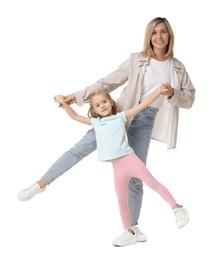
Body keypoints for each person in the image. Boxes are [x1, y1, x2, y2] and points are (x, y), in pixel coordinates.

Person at [17, 17, 195, 246]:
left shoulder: (177, 67)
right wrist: (77, 96)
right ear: (148, 36)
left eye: (163, 32)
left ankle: (133, 230)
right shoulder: (137, 59)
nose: (159, 37)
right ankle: (40, 184)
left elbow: (189, 99)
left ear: (169, 35)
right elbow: (109, 82)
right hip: (116, 114)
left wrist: (172, 93)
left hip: (145, 121)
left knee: (136, 177)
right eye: (154, 33)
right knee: (78, 150)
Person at [53, 89, 189, 246]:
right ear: (94, 110)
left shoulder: (120, 117)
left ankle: (177, 208)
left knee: (153, 183)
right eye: (97, 105)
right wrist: (62, 101)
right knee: (121, 200)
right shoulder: (96, 123)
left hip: (130, 160)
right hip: (117, 168)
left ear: (111, 102)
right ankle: (128, 231)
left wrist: (159, 93)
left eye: (104, 102)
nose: (102, 106)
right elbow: (75, 116)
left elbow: (143, 105)